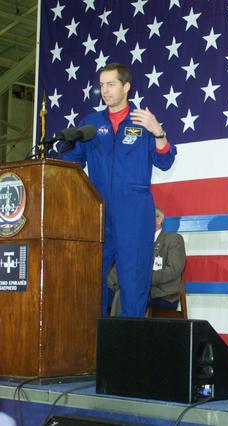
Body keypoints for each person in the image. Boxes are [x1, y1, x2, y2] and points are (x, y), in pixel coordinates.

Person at [59, 63, 176, 317]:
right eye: (101, 85)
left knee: (132, 279)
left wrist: (159, 132)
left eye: (111, 84)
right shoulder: (90, 124)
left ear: (126, 87)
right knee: (92, 276)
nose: (105, 90)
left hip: (133, 210)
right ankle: (93, 339)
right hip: (98, 210)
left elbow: (165, 162)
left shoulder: (142, 121)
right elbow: (72, 164)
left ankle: (129, 345)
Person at [107, 207, 187, 316]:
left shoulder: (173, 239)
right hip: (135, 290)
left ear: (159, 220)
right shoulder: (137, 243)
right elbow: (123, 266)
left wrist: (141, 280)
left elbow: (173, 269)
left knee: (126, 298)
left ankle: (122, 331)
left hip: (160, 294)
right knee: (105, 294)